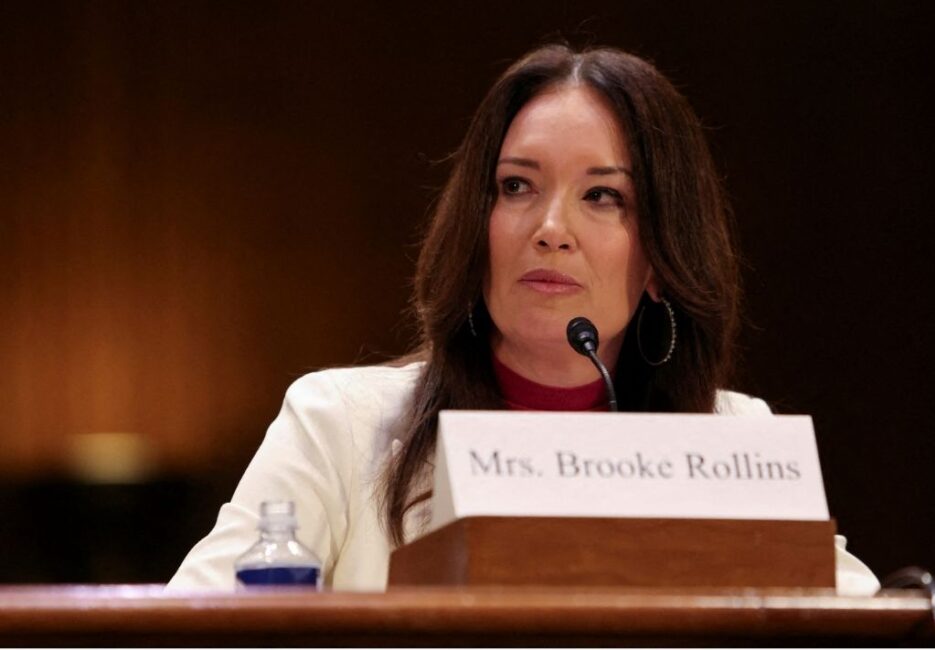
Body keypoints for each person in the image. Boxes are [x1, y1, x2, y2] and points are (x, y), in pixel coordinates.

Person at [168, 43, 880, 596]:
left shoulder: (734, 442)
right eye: (516, 187)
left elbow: (872, 627)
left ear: (663, 256)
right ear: (476, 226)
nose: (549, 227)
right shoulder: (340, 428)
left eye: (603, 197)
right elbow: (182, 631)